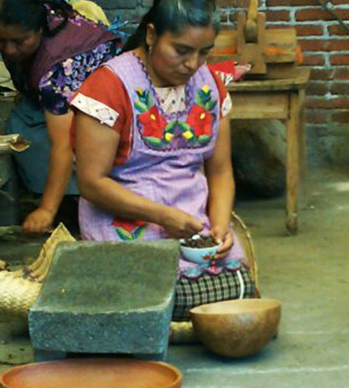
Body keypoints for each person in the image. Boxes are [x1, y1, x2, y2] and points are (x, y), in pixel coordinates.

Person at [70, 0, 257, 320]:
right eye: (182, 50)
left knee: (239, 290)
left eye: (204, 52)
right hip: (125, 217)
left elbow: (221, 170)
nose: (193, 64)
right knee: (157, 294)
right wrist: (163, 217)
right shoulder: (109, 86)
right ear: (153, 35)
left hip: (192, 218)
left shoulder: (211, 86)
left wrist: (221, 225)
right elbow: (91, 183)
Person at [0, 0, 120, 233]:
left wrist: (47, 209)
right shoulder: (41, 12)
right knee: (20, 121)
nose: (8, 50)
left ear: (40, 29)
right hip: (65, 94)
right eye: (0, 40)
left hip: (108, 107)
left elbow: (63, 146)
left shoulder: (57, 70)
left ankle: (74, 202)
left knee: (44, 141)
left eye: (18, 41)